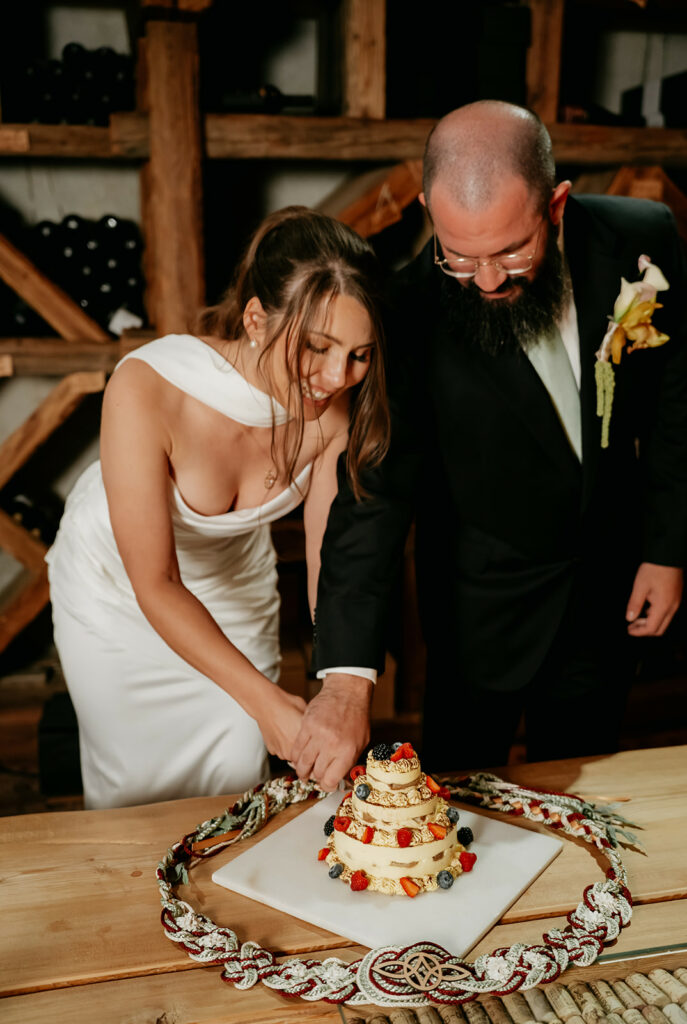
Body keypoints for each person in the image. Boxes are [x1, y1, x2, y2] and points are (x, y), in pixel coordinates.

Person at [293, 101, 687, 789]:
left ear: (555, 204)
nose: (485, 281)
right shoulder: (406, 312)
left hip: (609, 588)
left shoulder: (640, 238)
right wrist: (347, 678)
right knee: (459, 808)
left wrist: (665, 547)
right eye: (459, 254)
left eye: (511, 250)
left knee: (587, 792)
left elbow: (673, 404)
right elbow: (374, 498)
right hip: (480, 614)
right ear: (427, 209)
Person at [46, 206, 389, 809]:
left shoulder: (336, 416)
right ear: (256, 319)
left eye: (359, 354)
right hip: (118, 593)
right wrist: (263, 699)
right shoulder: (147, 387)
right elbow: (155, 582)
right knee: (135, 790)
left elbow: (327, 569)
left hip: (233, 588)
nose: (338, 377)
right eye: (316, 347)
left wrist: (336, 687)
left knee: (236, 771)